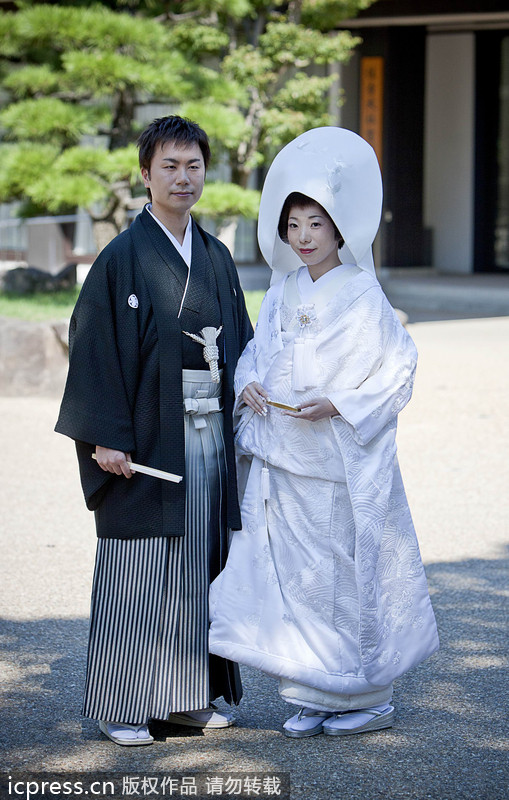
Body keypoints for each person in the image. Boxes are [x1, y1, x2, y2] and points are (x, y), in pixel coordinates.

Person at [209, 126, 439, 738]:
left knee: (346, 574)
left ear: (339, 228)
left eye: (315, 224)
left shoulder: (364, 293)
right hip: (286, 454)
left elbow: (396, 366)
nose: (303, 237)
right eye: (294, 225)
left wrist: (339, 403)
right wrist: (249, 382)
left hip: (338, 461)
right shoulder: (281, 289)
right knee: (298, 578)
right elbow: (260, 353)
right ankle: (314, 691)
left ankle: (369, 695)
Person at [55, 115, 253, 746]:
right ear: (145, 174)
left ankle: (186, 699)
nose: (182, 177)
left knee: (199, 561)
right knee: (138, 565)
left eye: (193, 165)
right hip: (143, 434)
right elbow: (96, 350)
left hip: (206, 434)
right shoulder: (122, 257)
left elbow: (242, 341)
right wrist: (104, 436)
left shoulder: (216, 256)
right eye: (169, 166)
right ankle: (120, 704)